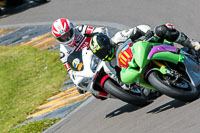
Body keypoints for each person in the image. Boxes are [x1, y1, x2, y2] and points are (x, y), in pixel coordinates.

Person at [89, 23, 200, 98]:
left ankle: (192, 45)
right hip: (139, 72)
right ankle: (169, 82)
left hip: (148, 47)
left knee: (162, 29)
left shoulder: (118, 37)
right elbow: (121, 82)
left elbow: (139, 28)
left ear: (107, 44)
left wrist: (147, 33)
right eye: (100, 55)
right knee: (147, 94)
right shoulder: (108, 66)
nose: (104, 55)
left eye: (103, 51)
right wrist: (128, 83)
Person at [51, 18, 109, 94]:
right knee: (85, 87)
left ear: (72, 29)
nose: (67, 38)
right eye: (63, 37)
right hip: (90, 66)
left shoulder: (81, 30)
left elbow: (101, 30)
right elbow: (71, 72)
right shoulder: (63, 53)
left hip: (101, 53)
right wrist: (77, 84)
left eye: (68, 33)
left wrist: (100, 38)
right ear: (58, 39)